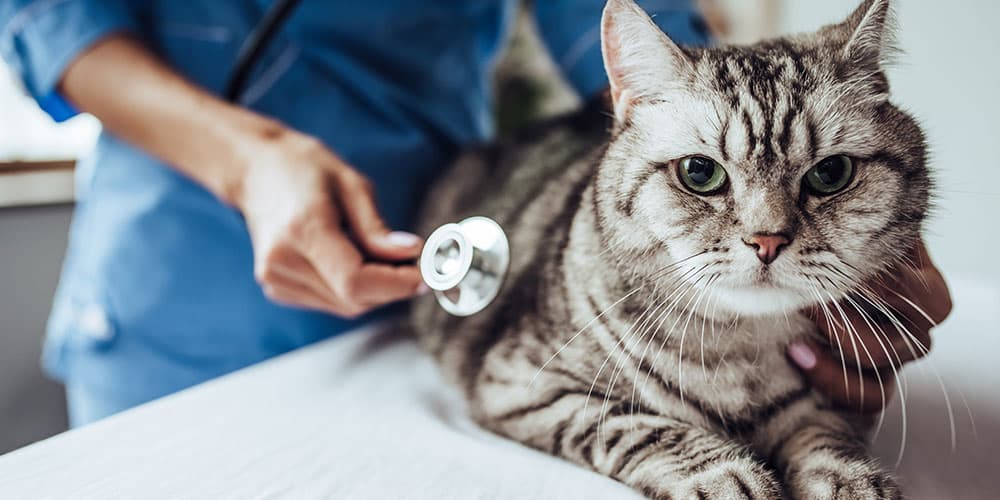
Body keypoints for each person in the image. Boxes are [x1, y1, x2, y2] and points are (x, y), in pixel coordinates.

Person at [0, 0, 949, 428]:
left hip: (449, 262)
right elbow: (49, 14)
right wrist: (248, 162)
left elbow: (618, 18)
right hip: (180, 274)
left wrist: (743, 129)